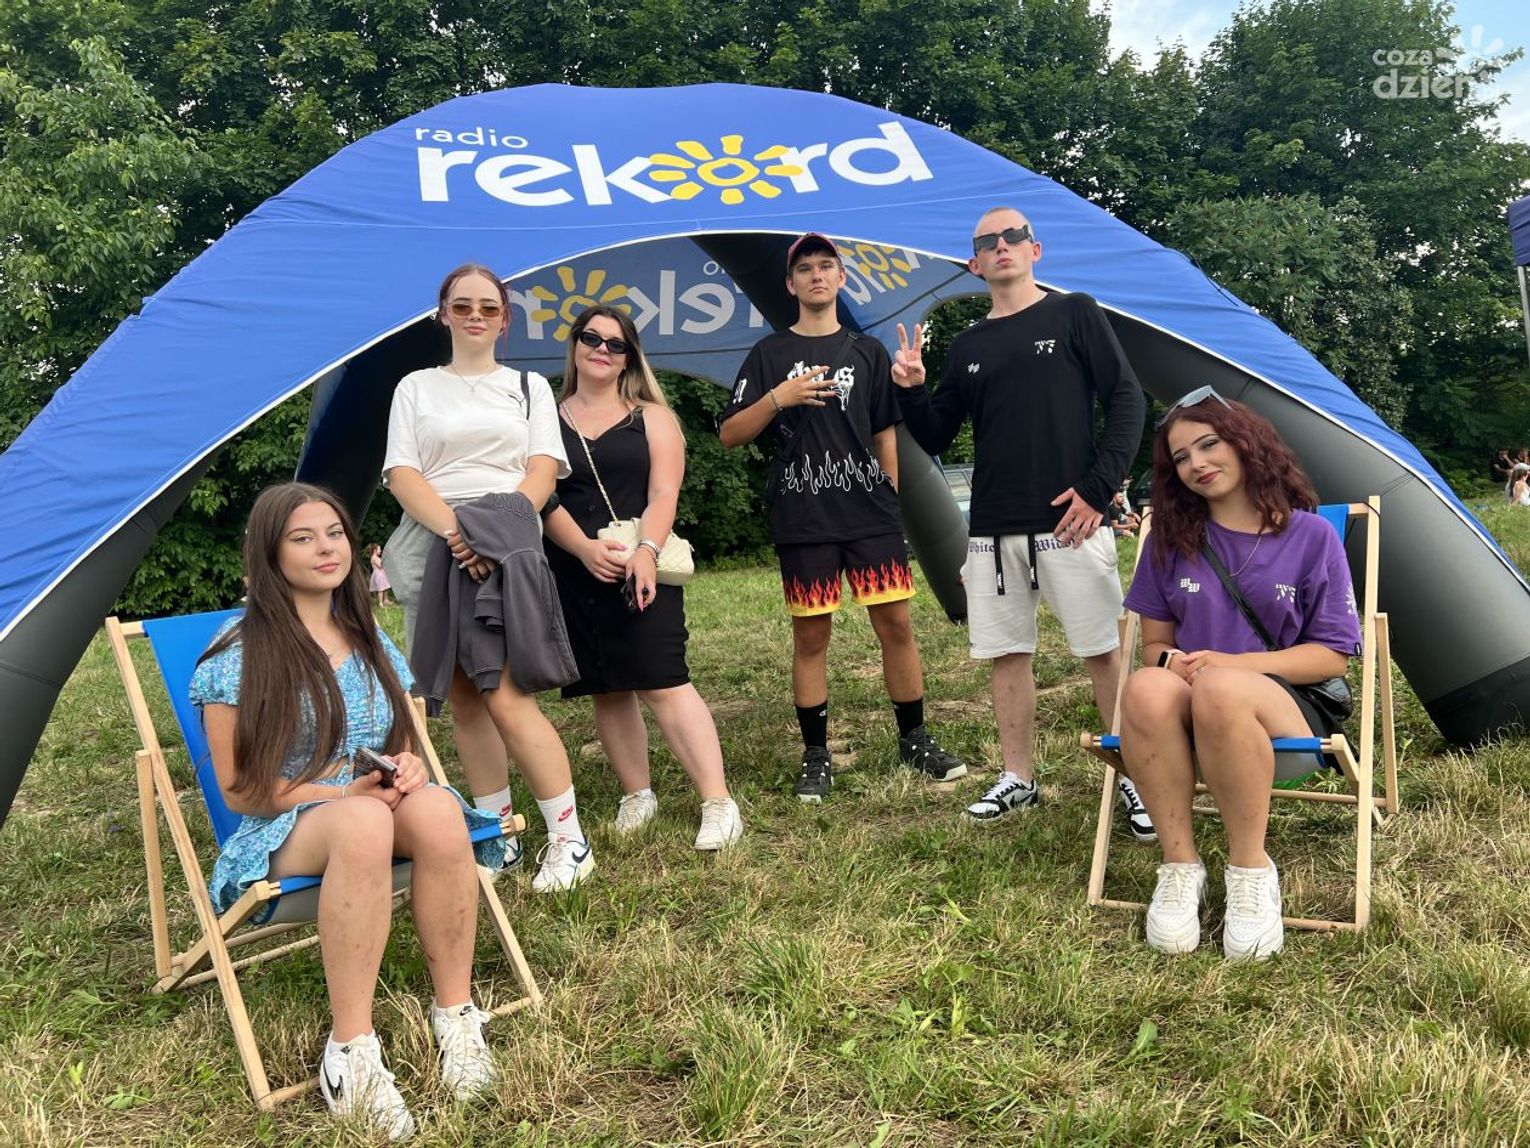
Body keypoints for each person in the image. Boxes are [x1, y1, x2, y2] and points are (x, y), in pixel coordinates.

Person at [192, 483, 506, 1139]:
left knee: (439, 810)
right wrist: (341, 797)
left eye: (333, 533)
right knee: (365, 822)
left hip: (369, 805)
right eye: (302, 538)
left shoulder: (367, 638)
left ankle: (455, 1017)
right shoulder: (237, 651)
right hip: (282, 826)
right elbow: (240, 791)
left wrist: (410, 769)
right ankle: (351, 1051)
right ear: (270, 554)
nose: (325, 548)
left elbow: (401, 744)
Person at [891, 206, 1153, 839]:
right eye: (988, 241)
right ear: (974, 263)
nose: (1002, 246)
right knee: (1006, 655)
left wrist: (1098, 489)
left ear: (1036, 249)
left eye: (1013, 236)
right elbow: (934, 433)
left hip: (1071, 520)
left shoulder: (1074, 313)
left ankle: (1138, 777)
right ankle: (1018, 777)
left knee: (1102, 650)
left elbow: (1127, 399)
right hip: (992, 527)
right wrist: (912, 388)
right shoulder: (968, 345)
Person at [719, 233, 965, 802]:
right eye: (805, 268)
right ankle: (816, 754)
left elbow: (885, 432)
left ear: (841, 277)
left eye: (826, 266)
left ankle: (915, 739)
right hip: (804, 517)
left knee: (896, 625)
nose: (817, 275)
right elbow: (729, 433)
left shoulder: (866, 351)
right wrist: (778, 398)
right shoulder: (768, 354)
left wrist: (889, 495)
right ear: (790, 284)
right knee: (812, 635)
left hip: (869, 513)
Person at [1117, 389, 1361, 960]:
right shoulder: (1169, 542)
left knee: (1222, 688)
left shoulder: (1311, 535)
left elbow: (1332, 655)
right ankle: (1180, 867)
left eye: (1209, 444)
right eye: (1181, 457)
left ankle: (1251, 871)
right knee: (1145, 687)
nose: (1197, 463)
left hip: (1288, 716)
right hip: (1190, 725)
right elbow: (1154, 647)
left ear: (1246, 443)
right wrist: (1171, 663)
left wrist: (1232, 665)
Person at [382, 262, 593, 894]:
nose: (476, 316)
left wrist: (490, 534)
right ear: (442, 314)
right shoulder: (415, 387)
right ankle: (499, 835)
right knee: (463, 696)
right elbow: (402, 473)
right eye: (463, 305)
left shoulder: (527, 387)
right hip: (432, 542)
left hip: (504, 544)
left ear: (505, 320)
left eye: (489, 307)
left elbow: (542, 472)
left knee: (504, 691)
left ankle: (570, 841)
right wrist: (458, 533)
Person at [543, 305, 743, 849]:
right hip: (573, 566)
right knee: (606, 687)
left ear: (630, 357)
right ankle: (638, 794)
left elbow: (664, 493)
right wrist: (583, 550)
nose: (602, 350)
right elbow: (543, 497)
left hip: (641, 562)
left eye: (616, 344)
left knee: (663, 679)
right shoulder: (543, 418)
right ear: (575, 345)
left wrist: (647, 552)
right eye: (592, 338)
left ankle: (718, 802)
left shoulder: (653, 417)